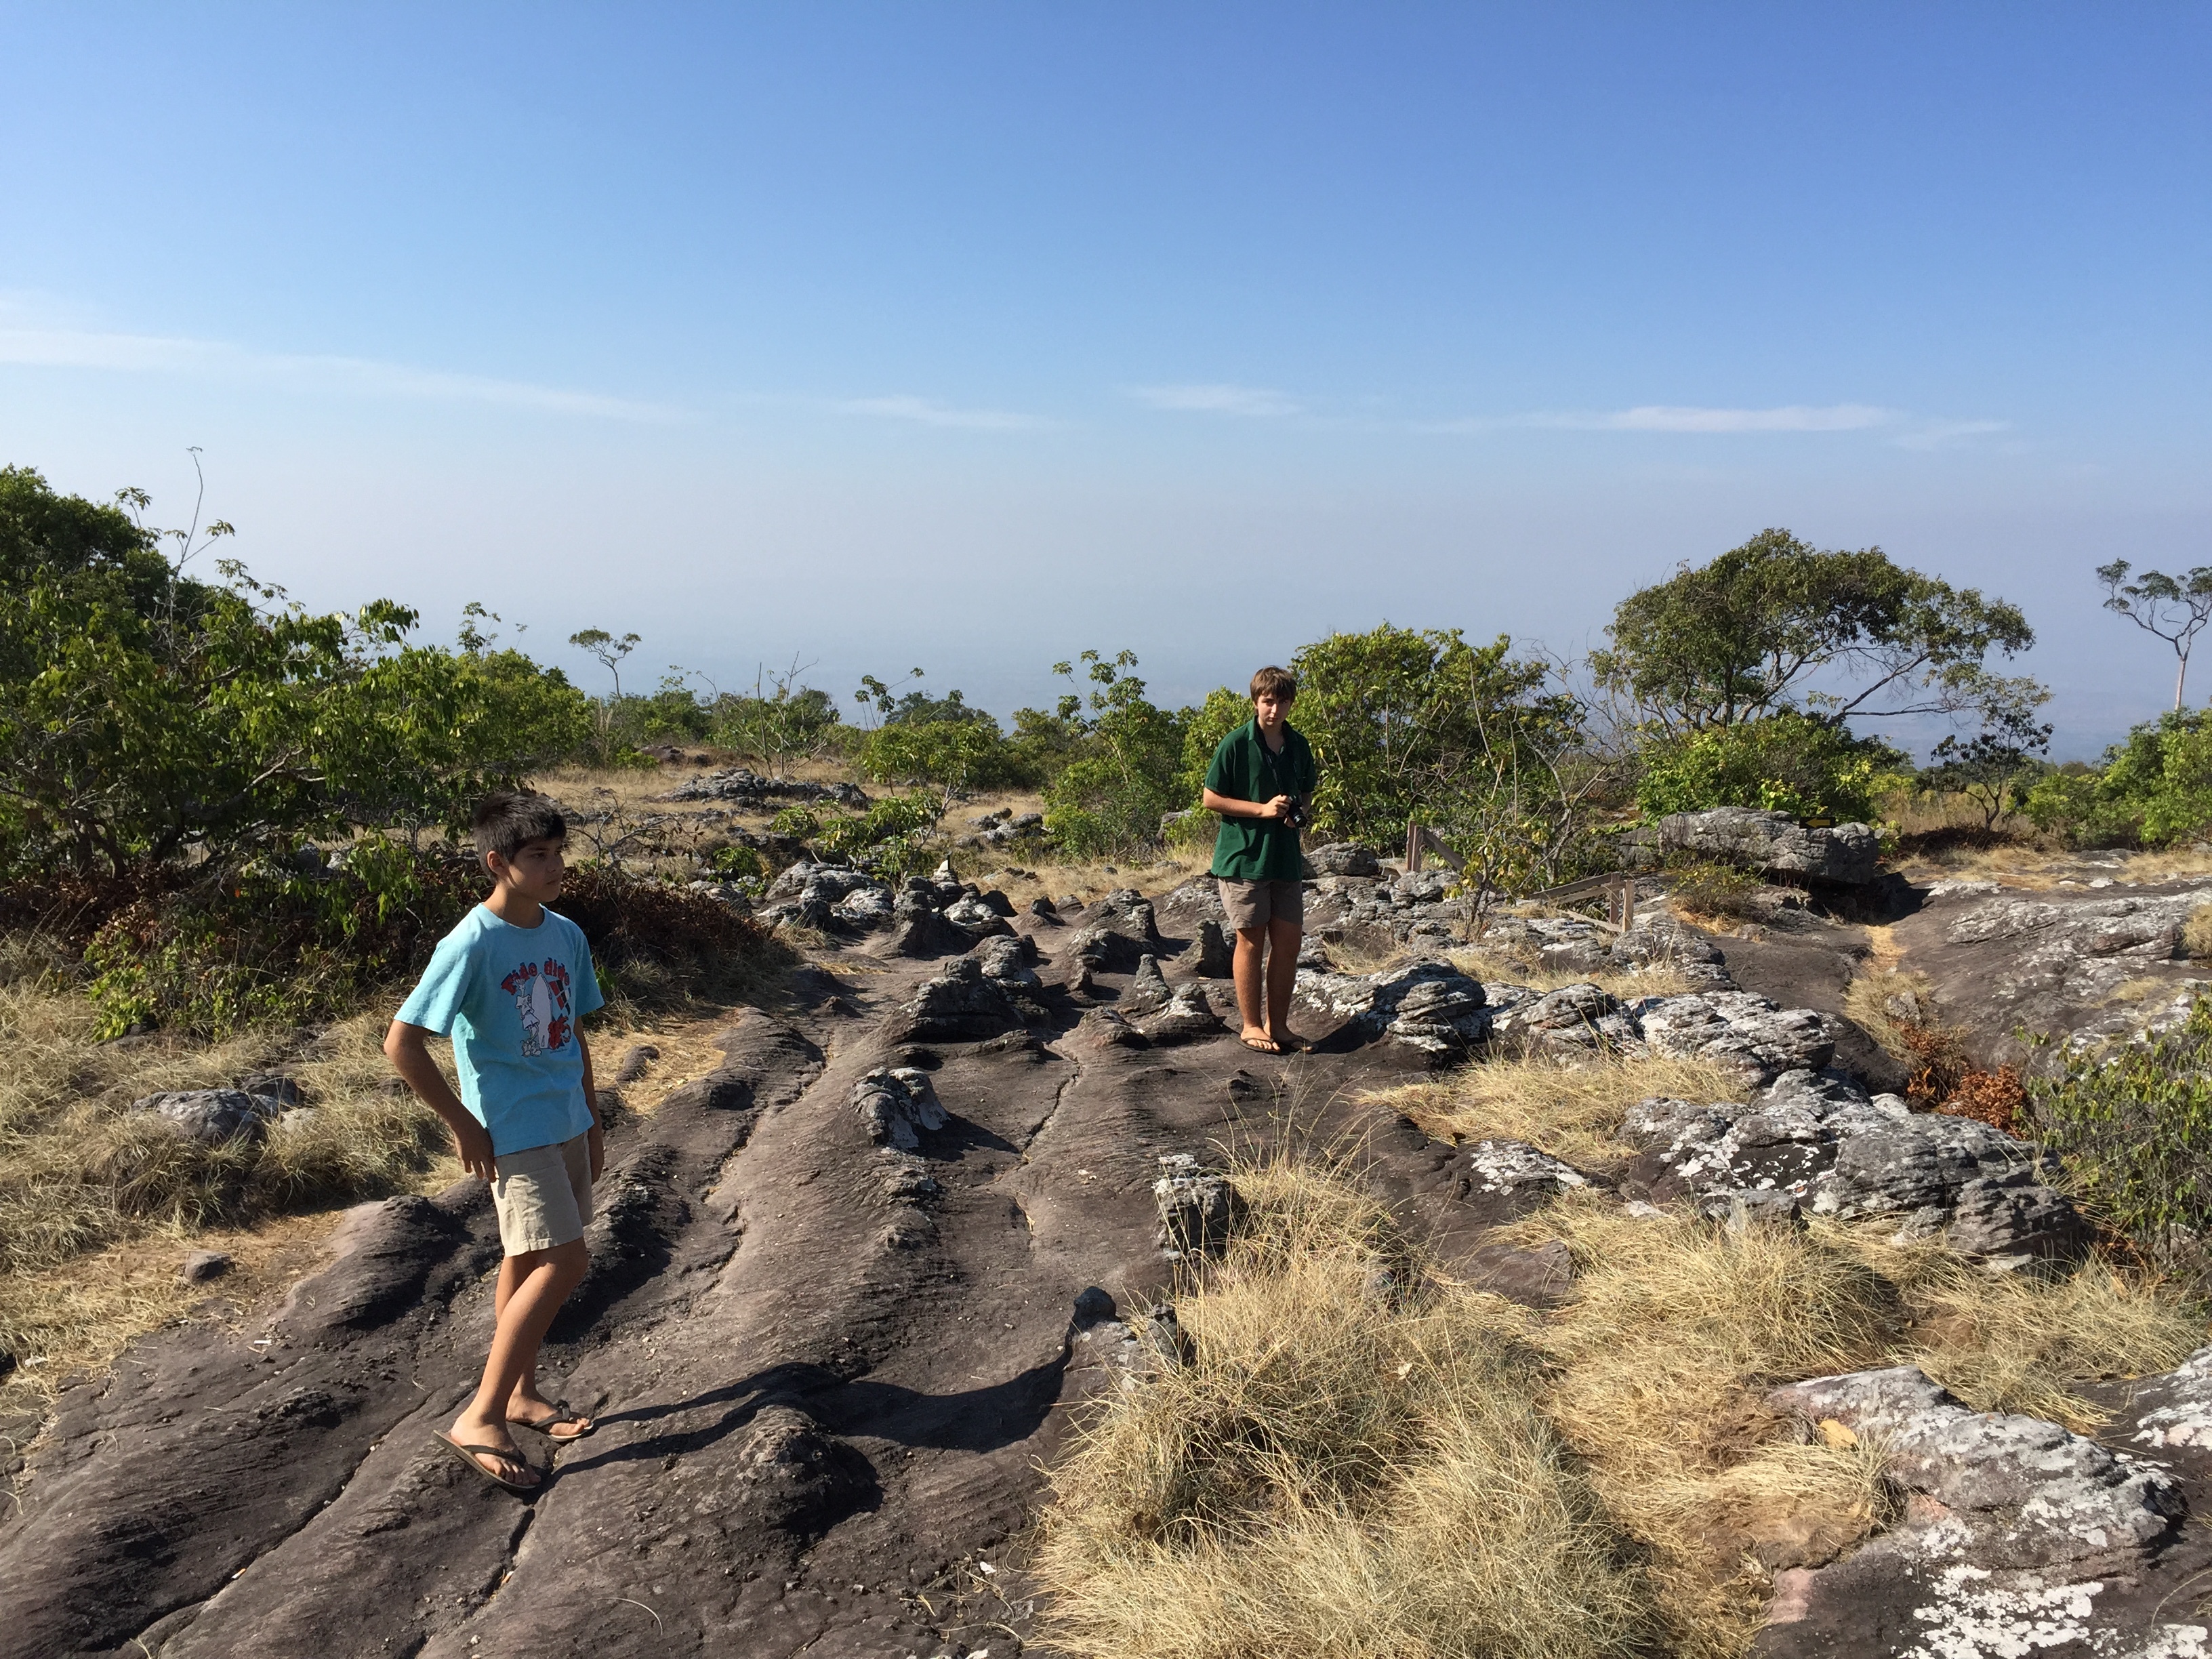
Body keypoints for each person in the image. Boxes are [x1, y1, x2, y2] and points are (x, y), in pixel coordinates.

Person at [384, 792, 607, 1492]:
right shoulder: (473, 942)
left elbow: (574, 1032)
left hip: (564, 1117)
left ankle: (520, 1394)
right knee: (566, 1263)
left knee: (527, 1256)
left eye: (557, 853)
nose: (554, 867)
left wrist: (593, 1119)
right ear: (498, 863)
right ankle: (480, 1416)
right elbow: (404, 1043)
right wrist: (463, 1122)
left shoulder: (565, 934)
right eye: (537, 856)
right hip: (514, 1130)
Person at [1201, 665, 1317, 1054]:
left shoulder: (1298, 745)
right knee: (1250, 943)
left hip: (1285, 859)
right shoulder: (1235, 744)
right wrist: (1263, 810)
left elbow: (1306, 793)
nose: (1274, 709)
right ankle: (1251, 1026)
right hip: (1244, 859)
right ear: (1255, 701)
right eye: (1268, 701)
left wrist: (1296, 810)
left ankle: (1279, 1026)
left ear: (1290, 704)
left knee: (1288, 944)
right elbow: (1211, 798)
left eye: (1282, 702)